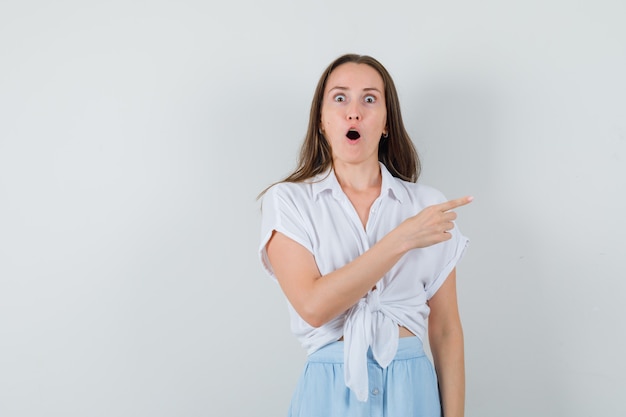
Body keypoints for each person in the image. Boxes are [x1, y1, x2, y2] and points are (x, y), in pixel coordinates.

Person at [258, 53, 472, 417]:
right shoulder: (289, 201)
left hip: (412, 390)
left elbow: (447, 330)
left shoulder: (426, 205)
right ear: (322, 120)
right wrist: (402, 238)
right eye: (340, 98)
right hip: (329, 391)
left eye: (369, 99)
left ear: (387, 123)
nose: (353, 112)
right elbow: (313, 306)